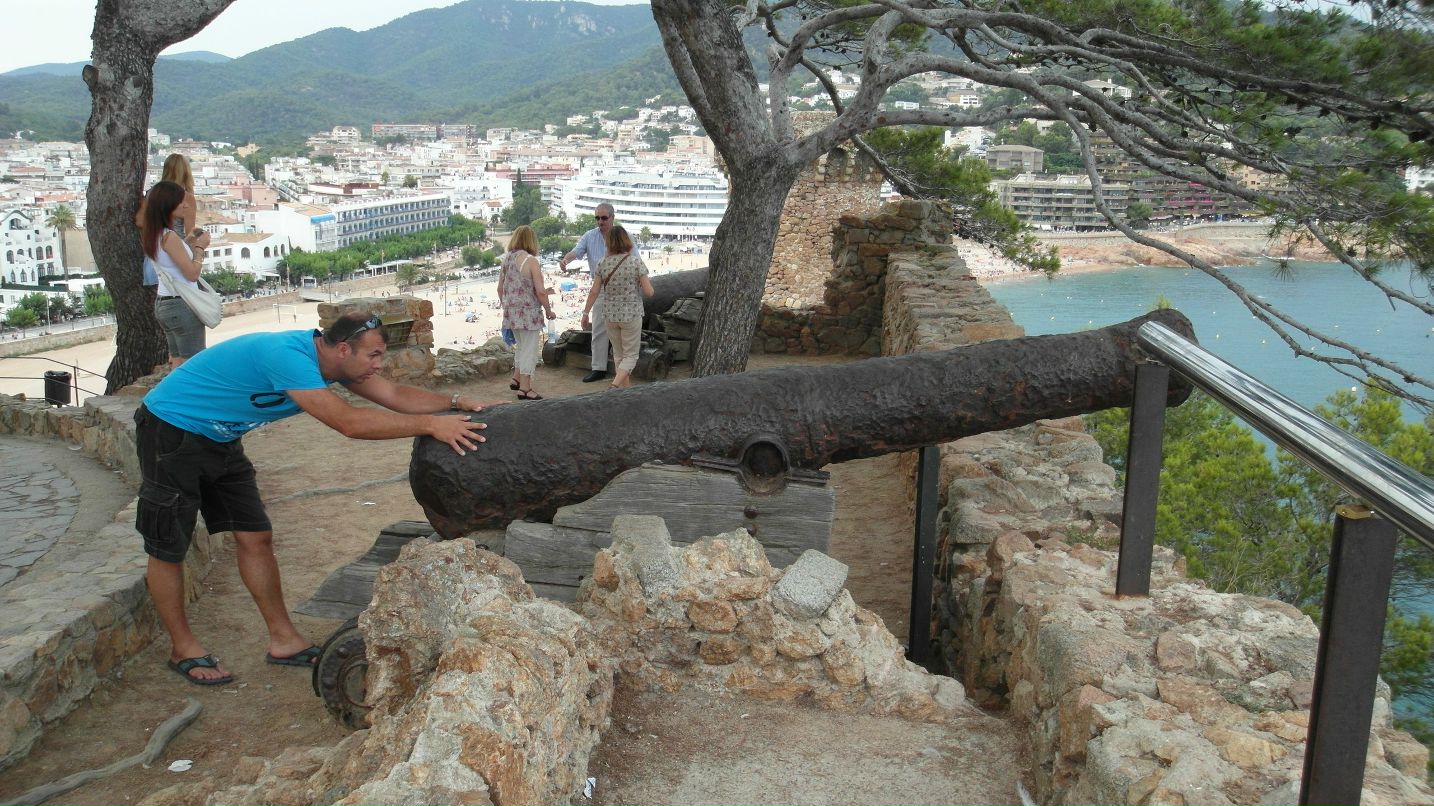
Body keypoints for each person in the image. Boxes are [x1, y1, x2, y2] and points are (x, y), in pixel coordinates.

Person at [134, 311, 492, 685]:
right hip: (170, 431)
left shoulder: (336, 364)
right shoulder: (288, 357)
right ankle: (183, 647)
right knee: (168, 547)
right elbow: (348, 423)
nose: (378, 365)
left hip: (221, 438)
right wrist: (433, 425)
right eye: (373, 356)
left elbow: (394, 395)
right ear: (342, 349)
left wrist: (453, 403)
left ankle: (284, 639)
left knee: (255, 536)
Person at [142, 180, 212, 368]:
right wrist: (199, 248)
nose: (186, 205)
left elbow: (170, 260)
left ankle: (173, 396)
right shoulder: (169, 236)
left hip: (164, 303)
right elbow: (191, 274)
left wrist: (188, 241)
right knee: (194, 363)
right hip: (181, 304)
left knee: (177, 360)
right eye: (181, 201)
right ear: (169, 204)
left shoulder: (154, 233)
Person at [581, 225, 653, 389]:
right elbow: (649, 292)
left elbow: (594, 292)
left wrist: (585, 313)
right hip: (631, 314)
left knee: (618, 354)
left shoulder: (602, 263)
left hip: (610, 315)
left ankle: (624, 391)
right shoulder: (636, 262)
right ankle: (614, 386)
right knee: (631, 356)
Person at [135, 154, 204, 308]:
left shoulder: (154, 193)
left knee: (161, 296)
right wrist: (198, 250)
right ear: (186, 172)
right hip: (177, 253)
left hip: (154, 251)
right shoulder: (186, 197)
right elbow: (189, 231)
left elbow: (139, 221)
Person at [559, 202, 616, 382]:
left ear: (612, 218)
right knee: (599, 327)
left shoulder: (623, 236)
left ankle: (623, 368)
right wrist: (565, 260)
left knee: (621, 328)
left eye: (604, 218)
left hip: (621, 288)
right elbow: (576, 251)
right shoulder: (589, 236)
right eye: (597, 218)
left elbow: (635, 259)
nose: (600, 221)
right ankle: (598, 368)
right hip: (600, 287)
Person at [499, 225, 557, 400]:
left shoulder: (507, 259)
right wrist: (548, 310)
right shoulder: (531, 261)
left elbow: (500, 288)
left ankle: (516, 378)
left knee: (521, 347)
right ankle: (525, 388)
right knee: (529, 350)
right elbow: (539, 291)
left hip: (511, 313)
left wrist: (508, 306)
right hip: (529, 313)